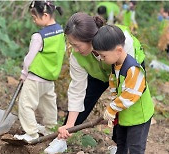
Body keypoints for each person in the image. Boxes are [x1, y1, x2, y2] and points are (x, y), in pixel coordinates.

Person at [44, 12, 145, 154]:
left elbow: (127, 91)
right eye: (72, 45)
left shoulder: (120, 42)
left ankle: (120, 144)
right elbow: (76, 90)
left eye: (77, 45)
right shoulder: (77, 56)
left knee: (124, 105)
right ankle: (62, 139)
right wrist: (69, 125)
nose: (75, 49)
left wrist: (112, 107)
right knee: (86, 99)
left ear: (91, 40)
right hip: (100, 73)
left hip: (125, 71)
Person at [92, 25, 154, 154]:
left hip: (138, 117)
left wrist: (112, 108)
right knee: (121, 143)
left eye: (104, 56)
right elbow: (114, 83)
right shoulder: (116, 63)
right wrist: (113, 106)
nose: (102, 59)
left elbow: (130, 94)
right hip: (125, 114)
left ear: (119, 50)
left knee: (135, 148)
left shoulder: (133, 69)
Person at [14, 0, 65, 142]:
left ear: (45, 15)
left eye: (35, 17)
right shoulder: (60, 31)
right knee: (48, 105)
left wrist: (24, 73)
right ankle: (50, 129)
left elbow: (29, 58)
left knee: (26, 104)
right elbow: (62, 51)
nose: (34, 21)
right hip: (50, 78)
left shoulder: (39, 36)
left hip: (35, 77)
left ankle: (31, 133)